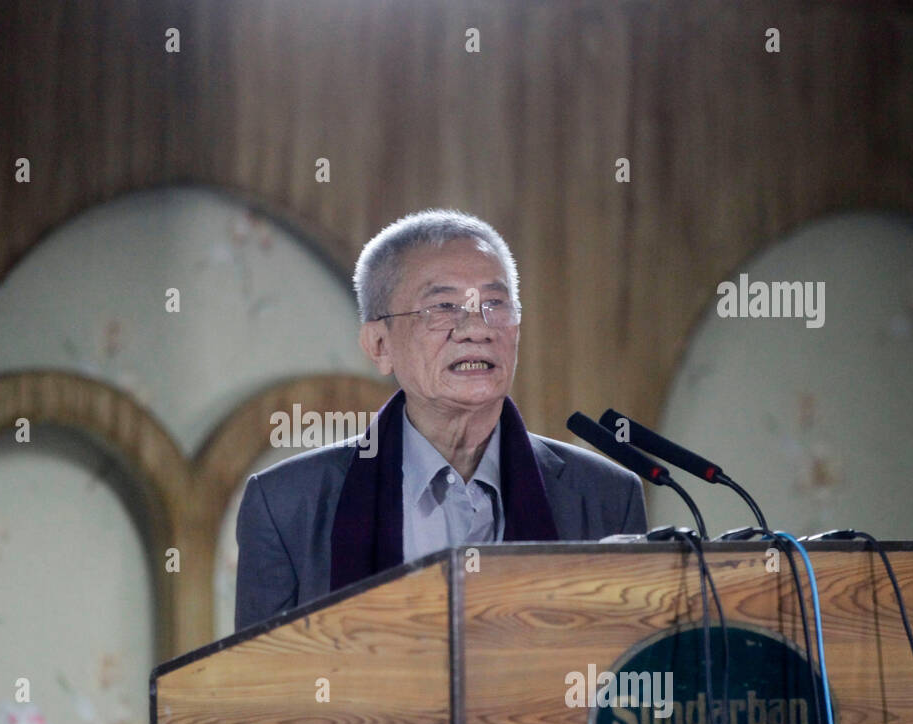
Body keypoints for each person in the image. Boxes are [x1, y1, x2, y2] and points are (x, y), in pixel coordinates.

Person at [234, 209, 647, 630]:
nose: (477, 330)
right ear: (379, 345)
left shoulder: (605, 496)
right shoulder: (285, 504)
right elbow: (260, 687)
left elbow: (625, 673)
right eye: (444, 307)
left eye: (495, 304)